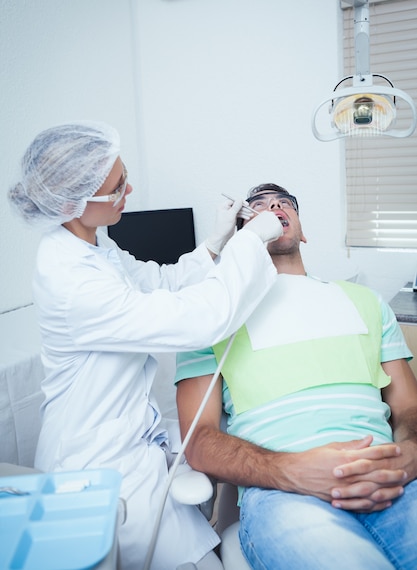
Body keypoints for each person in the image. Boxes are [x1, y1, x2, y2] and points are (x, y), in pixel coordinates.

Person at [7, 124, 284, 570]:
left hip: (129, 437)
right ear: (69, 204)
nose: (129, 189)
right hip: (95, 465)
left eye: (125, 176)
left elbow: (157, 284)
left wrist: (214, 247)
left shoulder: (93, 245)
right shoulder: (72, 281)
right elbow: (196, 321)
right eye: (117, 187)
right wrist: (250, 243)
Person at [176, 182, 417, 570]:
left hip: (393, 481)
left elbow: (409, 408)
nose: (273, 206)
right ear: (243, 238)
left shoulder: (366, 303)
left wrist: (410, 456)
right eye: (258, 207)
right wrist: (290, 471)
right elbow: (199, 443)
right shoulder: (213, 316)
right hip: (285, 495)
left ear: (301, 231)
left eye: (283, 203)